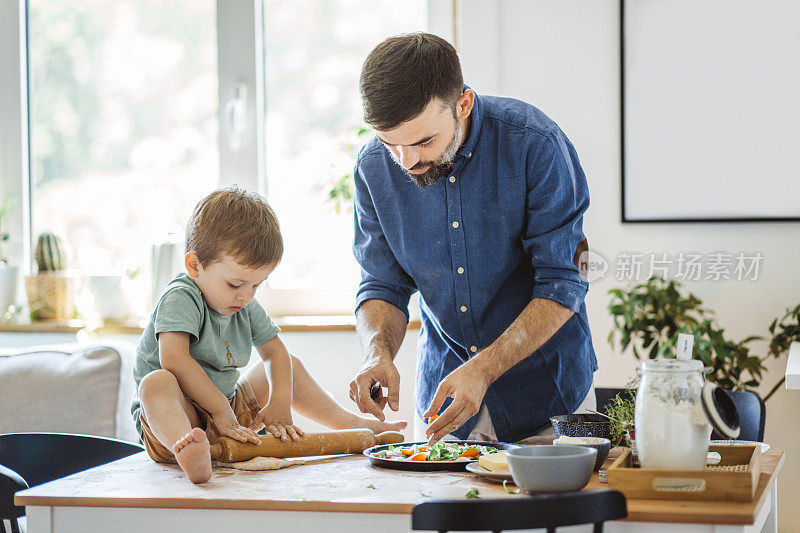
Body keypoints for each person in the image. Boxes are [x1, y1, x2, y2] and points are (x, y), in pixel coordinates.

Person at [348, 33, 597, 446]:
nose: (406, 163)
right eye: (390, 143)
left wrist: (482, 369)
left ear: (463, 104)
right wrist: (377, 353)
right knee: (445, 512)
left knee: (547, 513)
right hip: (443, 409)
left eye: (424, 141)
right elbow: (382, 285)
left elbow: (564, 280)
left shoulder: (535, 143)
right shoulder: (373, 169)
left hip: (548, 401)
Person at [132, 186, 405, 483]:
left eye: (256, 285)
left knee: (290, 364)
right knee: (156, 382)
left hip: (229, 415)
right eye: (235, 284)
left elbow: (276, 353)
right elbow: (173, 358)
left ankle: (351, 424)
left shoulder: (243, 302)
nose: (246, 296)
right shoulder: (181, 297)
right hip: (177, 419)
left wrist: (279, 403)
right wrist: (220, 410)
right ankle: (189, 451)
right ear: (195, 265)